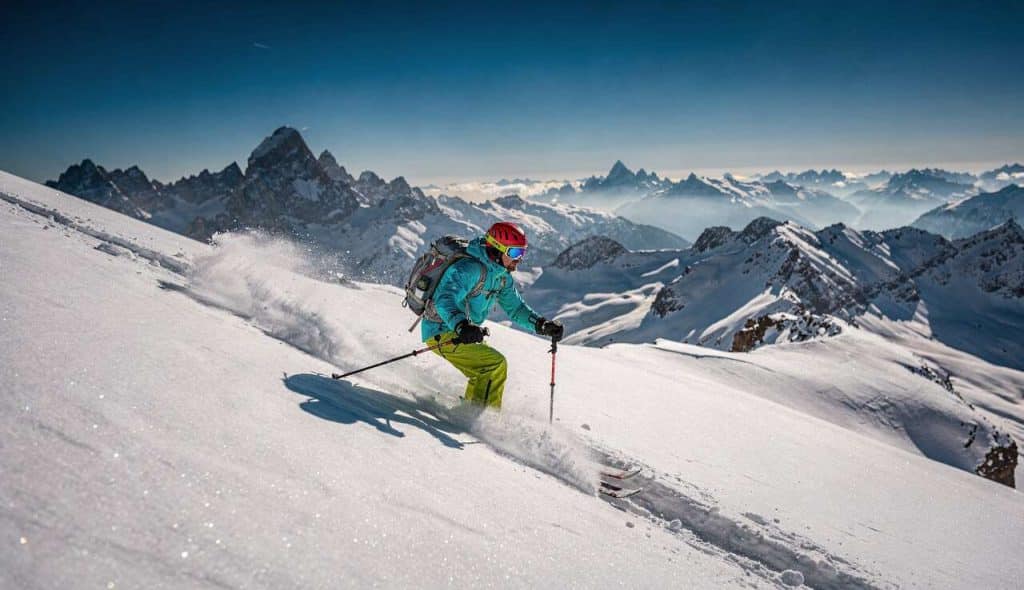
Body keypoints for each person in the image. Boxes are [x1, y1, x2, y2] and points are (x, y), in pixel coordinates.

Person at [422, 222, 564, 409]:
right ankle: (481, 420)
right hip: (441, 329)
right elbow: (444, 299)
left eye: (522, 253)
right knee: (494, 365)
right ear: (497, 249)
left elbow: (515, 308)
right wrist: (462, 326)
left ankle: (468, 415)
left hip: (462, 332)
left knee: (482, 372)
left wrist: (541, 325)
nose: (519, 259)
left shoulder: (501, 276)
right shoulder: (470, 268)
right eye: (514, 253)